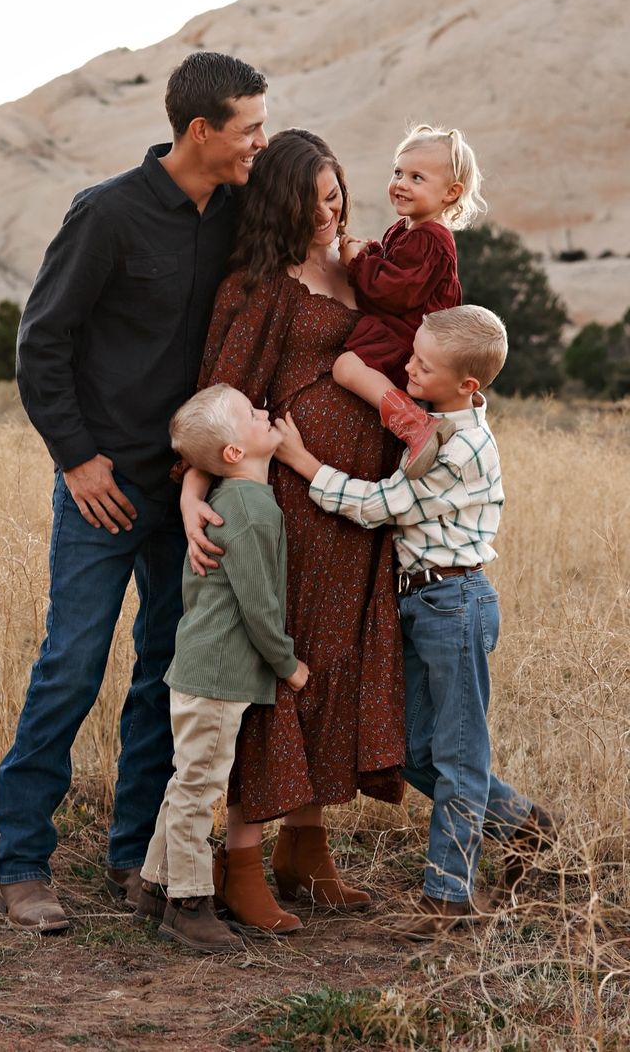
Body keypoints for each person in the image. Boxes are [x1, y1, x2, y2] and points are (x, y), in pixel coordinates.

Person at [0, 51, 269, 932]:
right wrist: (77, 459)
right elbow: (41, 345)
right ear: (200, 130)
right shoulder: (105, 214)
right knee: (71, 666)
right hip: (101, 490)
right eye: (248, 129)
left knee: (164, 674)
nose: (257, 144)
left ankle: (131, 855)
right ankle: (23, 861)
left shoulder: (235, 216)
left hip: (189, 492)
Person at [180, 128, 406, 932]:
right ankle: (240, 862)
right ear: (280, 203)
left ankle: (306, 851)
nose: (329, 208)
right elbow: (219, 397)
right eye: (312, 198)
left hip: (358, 507)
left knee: (338, 660)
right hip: (293, 514)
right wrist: (192, 491)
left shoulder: (360, 270)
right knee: (285, 669)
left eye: (335, 190)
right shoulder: (261, 283)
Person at [274, 304, 557, 940]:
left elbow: (383, 506)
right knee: (408, 750)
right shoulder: (431, 427)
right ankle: (517, 820)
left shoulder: (458, 446)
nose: (407, 368)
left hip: (454, 605)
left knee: (457, 754)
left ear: (468, 387)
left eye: (422, 366)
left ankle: (449, 897)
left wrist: (300, 461)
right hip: (421, 602)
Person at [140, 384, 309, 954]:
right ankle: (188, 905)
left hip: (199, 666)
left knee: (184, 780)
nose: (265, 411)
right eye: (253, 414)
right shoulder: (251, 511)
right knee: (198, 786)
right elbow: (258, 605)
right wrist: (287, 664)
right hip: (217, 675)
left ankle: (153, 885)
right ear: (235, 453)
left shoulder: (229, 501)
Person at [334, 123, 485, 479]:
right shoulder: (406, 228)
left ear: (451, 192)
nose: (401, 183)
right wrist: (369, 250)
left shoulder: (432, 238)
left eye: (417, 177)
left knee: (347, 368)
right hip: (403, 331)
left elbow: (396, 291)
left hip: (412, 339)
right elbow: (391, 264)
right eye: (398, 172)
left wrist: (357, 263)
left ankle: (415, 424)